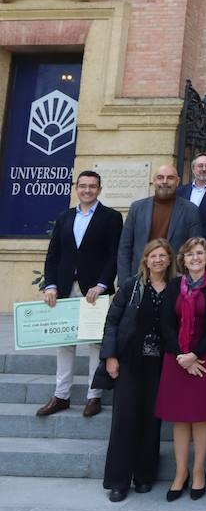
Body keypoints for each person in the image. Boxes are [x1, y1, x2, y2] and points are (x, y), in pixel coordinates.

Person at [37, 169, 123, 419]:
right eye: (83, 186)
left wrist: (103, 284)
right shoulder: (65, 217)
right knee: (64, 343)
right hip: (65, 288)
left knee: (96, 342)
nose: (87, 190)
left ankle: (93, 396)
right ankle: (61, 395)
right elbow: (53, 255)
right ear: (77, 188)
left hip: (95, 290)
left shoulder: (111, 217)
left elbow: (113, 255)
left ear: (99, 188)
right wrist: (50, 285)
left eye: (92, 186)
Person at [99, 238, 176, 501]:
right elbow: (112, 322)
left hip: (159, 364)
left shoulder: (175, 288)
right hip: (130, 361)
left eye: (162, 256)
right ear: (146, 259)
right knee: (125, 419)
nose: (158, 260)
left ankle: (144, 476)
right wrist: (110, 356)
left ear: (169, 260)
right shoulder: (132, 286)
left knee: (151, 420)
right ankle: (119, 481)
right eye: (153, 256)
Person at [156, 237, 206, 500]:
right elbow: (165, 323)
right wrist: (181, 355)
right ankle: (180, 473)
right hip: (176, 359)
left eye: (199, 253)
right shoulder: (175, 286)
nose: (195, 258)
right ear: (183, 260)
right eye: (189, 254)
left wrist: (195, 355)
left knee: (200, 416)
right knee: (179, 417)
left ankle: (198, 472)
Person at [117, 162, 198, 287]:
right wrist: (124, 282)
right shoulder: (137, 208)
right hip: (139, 278)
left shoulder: (190, 210)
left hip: (175, 281)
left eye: (170, 178)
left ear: (177, 181)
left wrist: (190, 282)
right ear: (154, 181)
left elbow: (195, 250)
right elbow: (124, 248)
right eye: (160, 177)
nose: (165, 181)